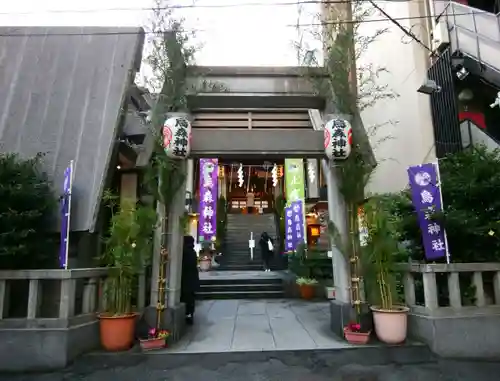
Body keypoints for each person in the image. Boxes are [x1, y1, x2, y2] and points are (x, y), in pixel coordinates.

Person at [181, 235, 200, 325]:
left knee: (185, 298)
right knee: (191, 299)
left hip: (185, 279)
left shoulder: (184, 252)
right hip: (192, 280)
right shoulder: (192, 252)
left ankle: (187, 315)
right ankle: (190, 314)